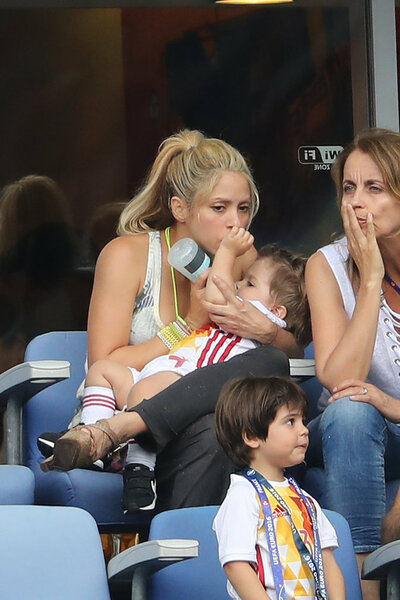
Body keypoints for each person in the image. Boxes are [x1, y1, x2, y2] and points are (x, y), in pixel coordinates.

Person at [39, 129, 300, 512]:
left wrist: (265, 330)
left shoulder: (244, 261)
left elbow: (288, 351)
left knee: (264, 370)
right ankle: (118, 436)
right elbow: (104, 362)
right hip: (124, 422)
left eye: (243, 209)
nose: (235, 223)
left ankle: (176, 553)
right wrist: (190, 324)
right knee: (215, 433)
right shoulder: (126, 256)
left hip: (204, 428)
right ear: (180, 209)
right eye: (219, 208)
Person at [305, 128, 400, 600]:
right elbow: (341, 379)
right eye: (348, 187)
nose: (357, 203)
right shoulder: (326, 265)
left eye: (374, 188)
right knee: (349, 409)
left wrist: (392, 403)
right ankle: (364, 587)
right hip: (355, 427)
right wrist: (371, 280)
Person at [213, 376, 345, 600]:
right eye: (291, 422)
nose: (304, 430)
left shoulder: (305, 500)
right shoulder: (243, 495)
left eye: (304, 421)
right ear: (252, 436)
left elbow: (327, 563)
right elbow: (236, 566)